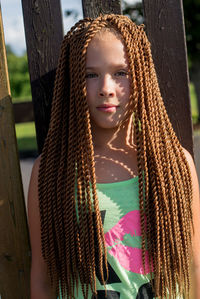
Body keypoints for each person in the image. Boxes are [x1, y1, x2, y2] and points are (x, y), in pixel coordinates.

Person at [28, 14, 200, 299]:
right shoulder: (50, 172)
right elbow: (43, 279)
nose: (106, 88)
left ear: (141, 76)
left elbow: (193, 266)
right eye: (90, 74)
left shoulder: (176, 165)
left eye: (121, 72)